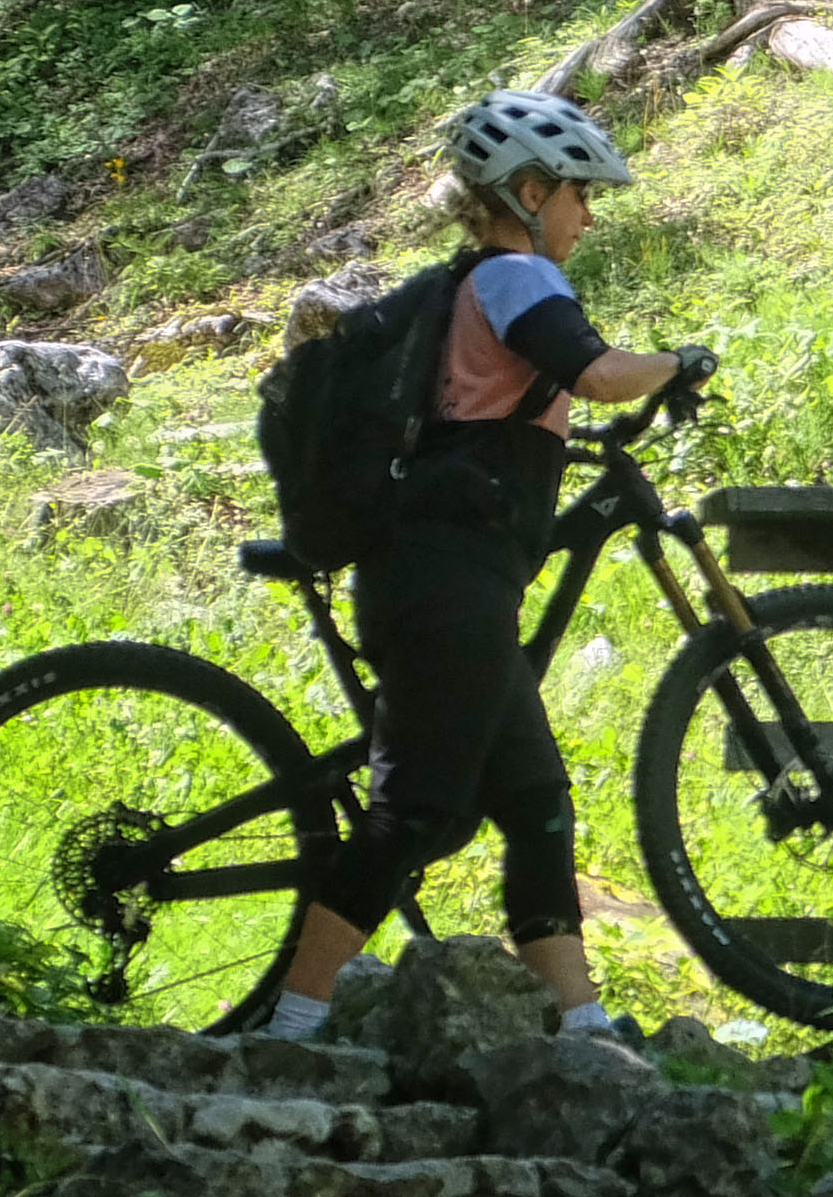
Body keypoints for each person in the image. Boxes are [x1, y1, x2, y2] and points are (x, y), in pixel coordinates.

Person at [263, 89, 713, 1041]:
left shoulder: (485, 285)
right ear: (530, 189)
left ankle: (582, 1024)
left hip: (449, 583)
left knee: (536, 801)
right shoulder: (516, 280)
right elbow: (592, 371)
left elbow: (519, 413)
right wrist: (678, 362)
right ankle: (290, 1025)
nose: (589, 215)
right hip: (441, 584)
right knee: (415, 815)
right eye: (580, 195)